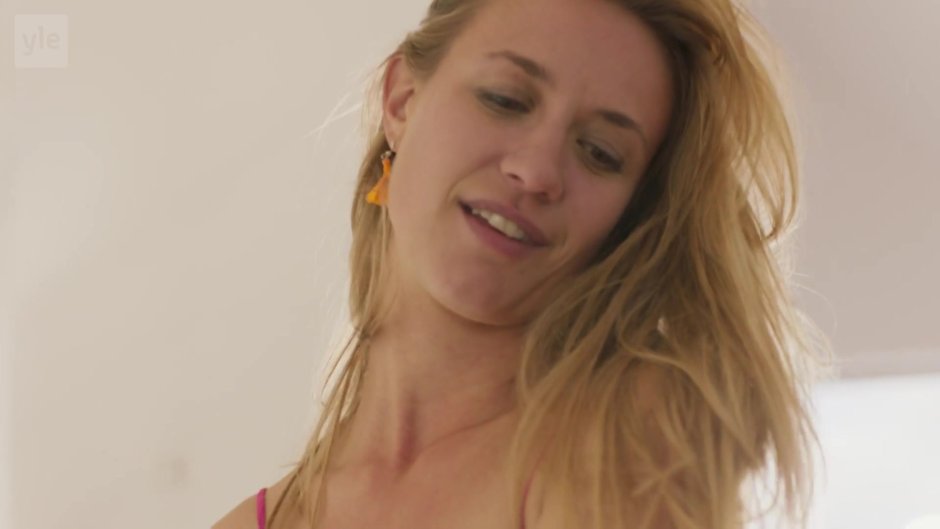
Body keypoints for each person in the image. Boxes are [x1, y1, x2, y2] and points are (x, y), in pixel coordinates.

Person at [213, 0, 832, 528]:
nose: (536, 172)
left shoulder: (623, 445)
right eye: (505, 100)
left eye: (600, 153)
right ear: (401, 99)